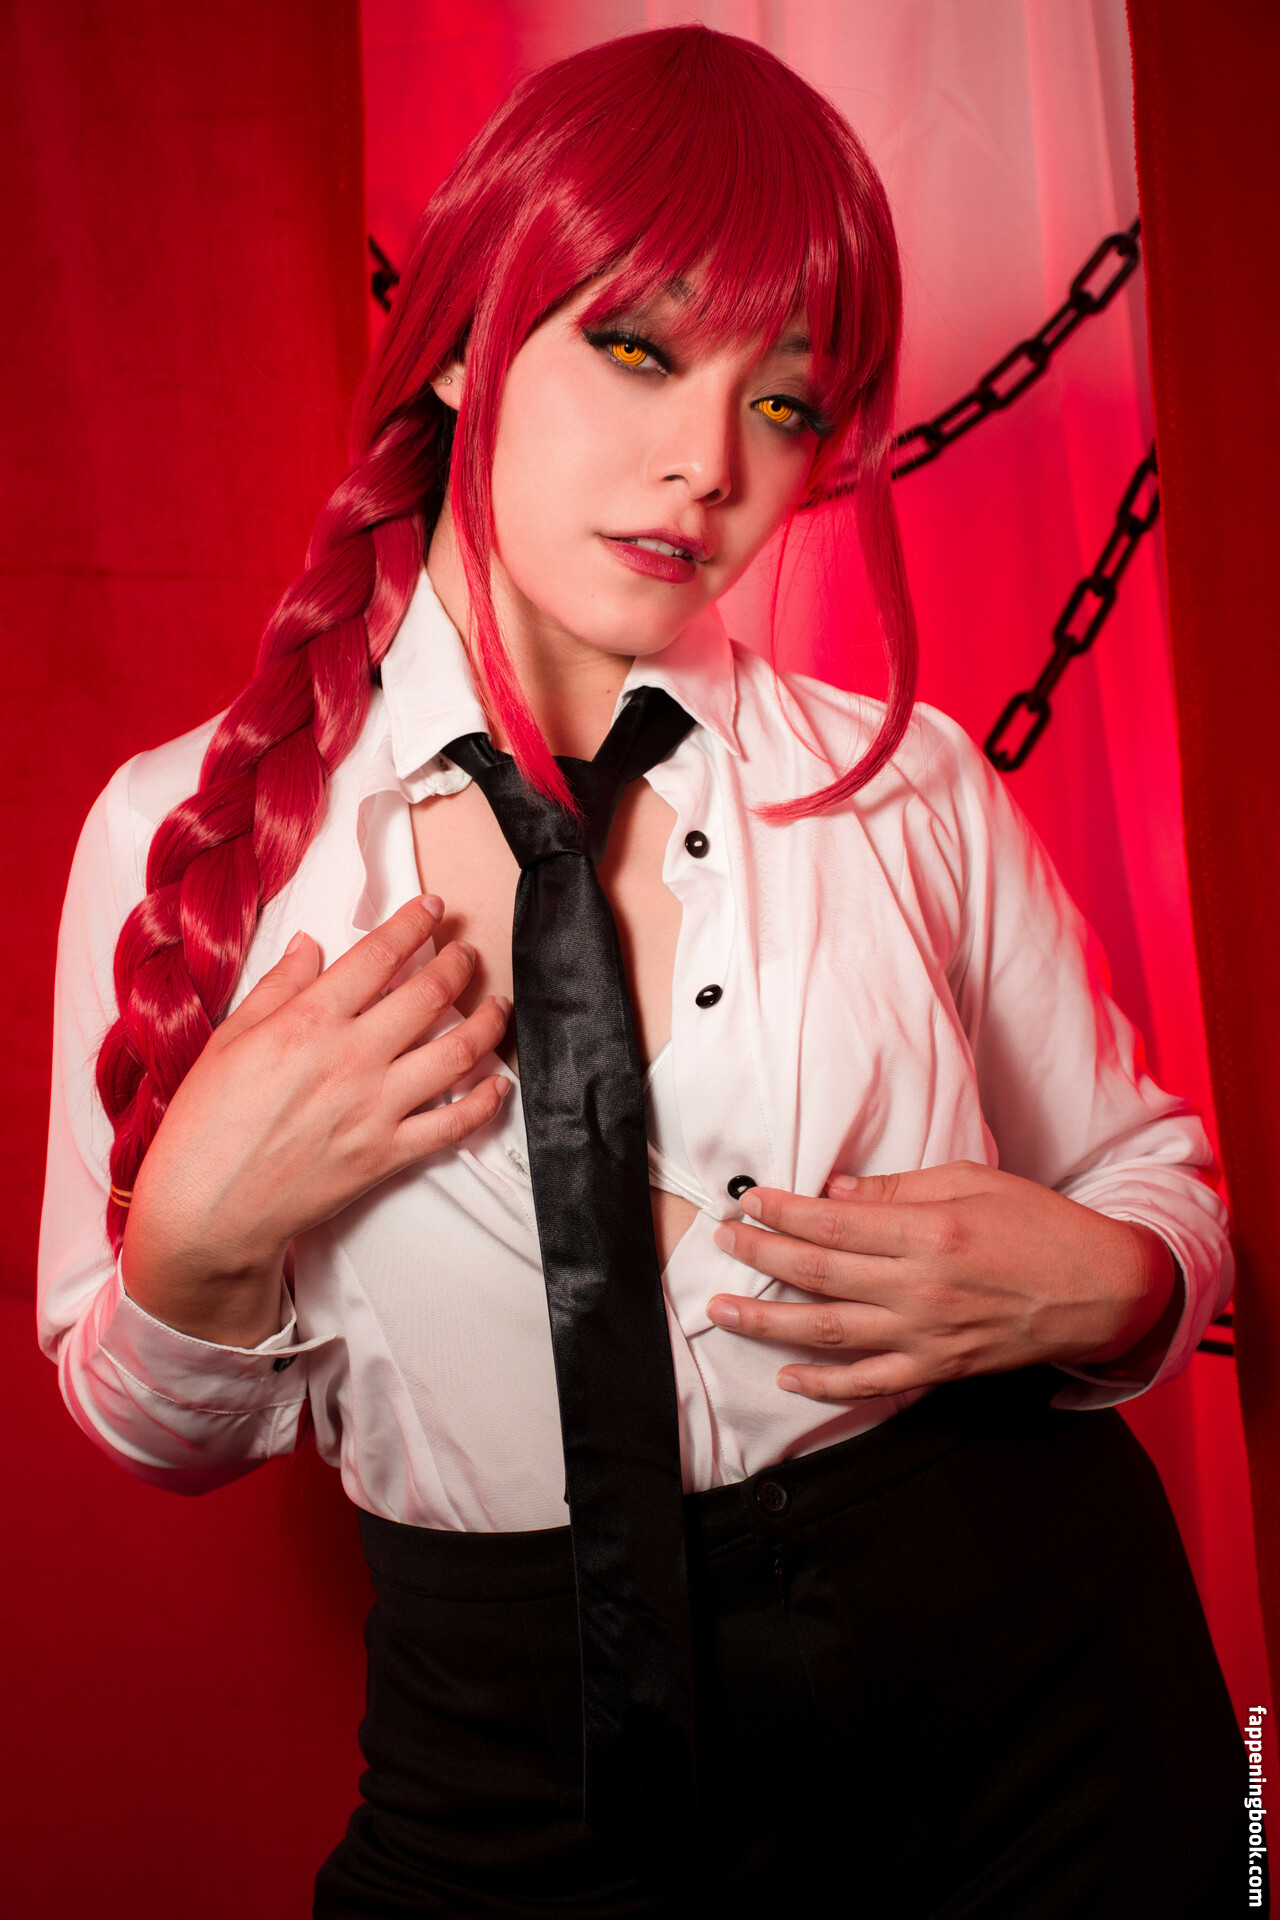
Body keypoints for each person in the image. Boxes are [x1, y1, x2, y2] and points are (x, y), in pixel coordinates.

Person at [38, 25, 1252, 1920]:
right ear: (461, 338)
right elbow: (157, 1436)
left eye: (784, 401)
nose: (708, 465)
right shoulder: (177, 836)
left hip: (1044, 1721)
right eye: (636, 348)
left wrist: (1114, 1282)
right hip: (512, 1764)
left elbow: (1157, 1180)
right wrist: (190, 1249)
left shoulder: (908, 785)